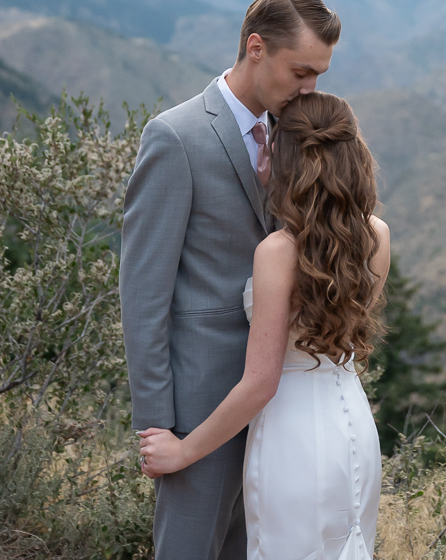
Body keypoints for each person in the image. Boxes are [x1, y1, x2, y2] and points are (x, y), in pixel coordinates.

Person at [119, 0, 341, 560]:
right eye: (301, 71)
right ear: (257, 47)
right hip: (199, 408)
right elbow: (143, 294)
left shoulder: (297, 137)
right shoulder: (176, 137)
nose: (310, 88)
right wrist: (157, 426)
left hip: (279, 403)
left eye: (318, 74)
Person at [138, 91, 390, 560]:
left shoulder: (278, 252)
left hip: (291, 439)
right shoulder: (376, 234)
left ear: (286, 157)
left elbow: (261, 383)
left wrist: (183, 452)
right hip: (353, 428)